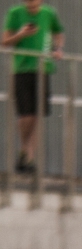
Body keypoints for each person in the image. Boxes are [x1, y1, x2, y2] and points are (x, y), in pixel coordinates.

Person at [1, 0, 62, 174]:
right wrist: (21, 34)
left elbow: (58, 33)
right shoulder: (15, 13)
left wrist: (58, 48)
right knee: (26, 114)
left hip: (42, 68)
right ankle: (24, 151)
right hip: (22, 68)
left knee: (35, 114)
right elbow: (5, 42)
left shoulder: (49, 14)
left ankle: (28, 157)